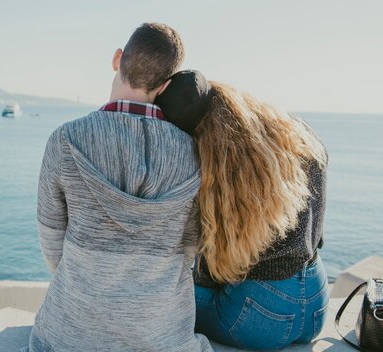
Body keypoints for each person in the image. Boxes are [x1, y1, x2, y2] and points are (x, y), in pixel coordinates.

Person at [26, 24, 213, 352]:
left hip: (69, 337)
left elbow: (52, 242)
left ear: (117, 59)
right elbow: (188, 248)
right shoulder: (192, 154)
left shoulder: (66, 141)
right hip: (160, 338)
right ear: (165, 85)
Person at [156, 71, 329, 350]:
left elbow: (208, 271)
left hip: (261, 316)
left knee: (164, 299)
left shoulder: (218, 172)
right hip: (316, 304)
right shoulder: (296, 133)